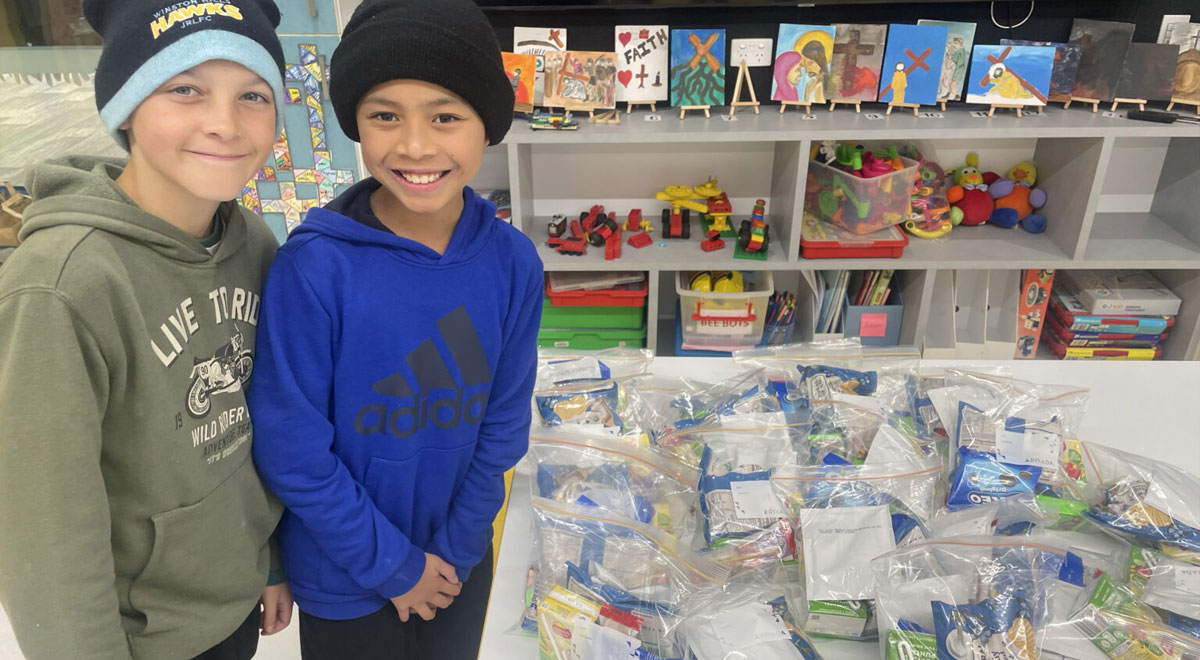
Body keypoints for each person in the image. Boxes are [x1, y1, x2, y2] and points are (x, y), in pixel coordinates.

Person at [247, 1, 542, 658]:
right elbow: (293, 453)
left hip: (460, 560)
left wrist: (458, 550)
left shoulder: (513, 261)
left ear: (486, 126)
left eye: (445, 115)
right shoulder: (313, 268)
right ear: (355, 121)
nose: (415, 145)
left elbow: (501, 431)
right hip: (344, 574)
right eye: (385, 115)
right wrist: (393, 566)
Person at [0, 1, 293, 658]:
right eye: (184, 89)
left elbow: (259, 421)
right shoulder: (62, 285)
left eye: (252, 95)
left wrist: (269, 559)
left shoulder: (252, 241)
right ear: (127, 107)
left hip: (234, 604)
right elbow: (44, 537)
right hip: (139, 638)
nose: (224, 123)